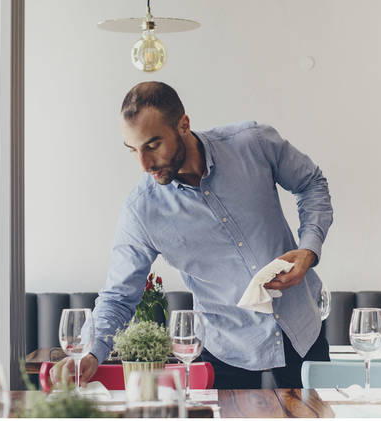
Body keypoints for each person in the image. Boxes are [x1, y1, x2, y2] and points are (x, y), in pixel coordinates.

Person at [52, 81, 333, 389]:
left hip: (303, 333)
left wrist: (308, 250)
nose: (144, 164)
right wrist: (92, 352)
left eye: (152, 145)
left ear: (183, 124)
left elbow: (311, 183)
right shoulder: (141, 211)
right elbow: (118, 296)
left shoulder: (253, 143)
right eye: (133, 150)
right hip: (226, 355)